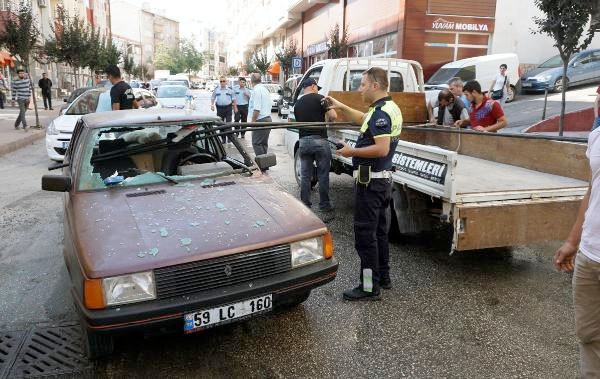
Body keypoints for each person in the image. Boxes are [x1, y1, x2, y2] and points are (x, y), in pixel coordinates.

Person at [324, 67, 402, 301]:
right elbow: (364, 119)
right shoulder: (387, 108)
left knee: (365, 237)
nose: (360, 89)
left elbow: (382, 148)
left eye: (363, 85)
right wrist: (341, 106)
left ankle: (369, 287)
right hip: (382, 182)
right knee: (378, 233)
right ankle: (383, 277)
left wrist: (351, 151)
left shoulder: (381, 114)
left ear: (375, 86)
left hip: (371, 185)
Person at [554, 126, 600, 376]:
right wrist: (573, 241)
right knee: (589, 335)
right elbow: (592, 189)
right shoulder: (597, 135)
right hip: (590, 255)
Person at [294, 77, 338, 216]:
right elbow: (333, 116)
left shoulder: (298, 103)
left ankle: (305, 204)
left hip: (304, 142)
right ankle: (324, 205)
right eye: (317, 88)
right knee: (323, 174)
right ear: (313, 86)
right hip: (320, 141)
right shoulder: (321, 99)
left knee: (306, 175)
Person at [249, 73, 272, 157]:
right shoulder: (264, 89)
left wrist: (253, 122)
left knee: (256, 143)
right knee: (263, 143)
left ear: (251, 81)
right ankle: (265, 166)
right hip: (268, 118)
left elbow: (257, 109)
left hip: (260, 120)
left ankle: (262, 166)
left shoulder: (256, 90)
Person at [211, 76, 238, 143]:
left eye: (223, 81)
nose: (222, 82)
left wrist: (235, 108)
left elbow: (234, 99)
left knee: (228, 123)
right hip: (219, 108)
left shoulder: (230, 90)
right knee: (220, 124)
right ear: (219, 82)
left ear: (226, 82)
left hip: (228, 108)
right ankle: (223, 139)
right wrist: (212, 105)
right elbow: (213, 97)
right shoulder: (216, 89)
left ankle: (229, 138)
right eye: (221, 81)